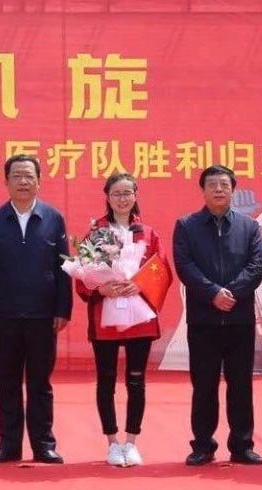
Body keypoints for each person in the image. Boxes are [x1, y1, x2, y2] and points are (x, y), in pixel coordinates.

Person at [0, 153, 71, 465]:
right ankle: (9, 445)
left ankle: (44, 444)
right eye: (16, 175)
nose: (23, 181)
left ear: (39, 181)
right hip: (3, 316)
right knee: (7, 383)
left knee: (40, 383)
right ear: (6, 181)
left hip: (43, 316)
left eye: (29, 175)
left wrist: (62, 309)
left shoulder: (53, 218)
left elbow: (63, 268)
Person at [172, 164, 262, 467]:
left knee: (241, 385)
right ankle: (203, 445)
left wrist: (232, 293)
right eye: (212, 184)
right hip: (204, 319)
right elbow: (184, 266)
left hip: (239, 319)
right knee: (204, 386)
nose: (218, 189)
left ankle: (242, 445)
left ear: (232, 190)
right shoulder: (186, 225)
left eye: (224, 184)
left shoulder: (249, 227)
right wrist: (213, 292)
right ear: (203, 190)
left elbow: (257, 265)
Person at [77, 172, 167, 468]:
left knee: (136, 380)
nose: (123, 198)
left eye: (128, 192)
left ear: (136, 195)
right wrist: (99, 288)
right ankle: (112, 443)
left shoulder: (148, 233)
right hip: (105, 317)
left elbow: (162, 270)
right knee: (106, 380)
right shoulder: (96, 233)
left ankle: (131, 442)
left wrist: (141, 284)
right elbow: (81, 277)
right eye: (117, 193)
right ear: (107, 197)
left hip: (139, 317)